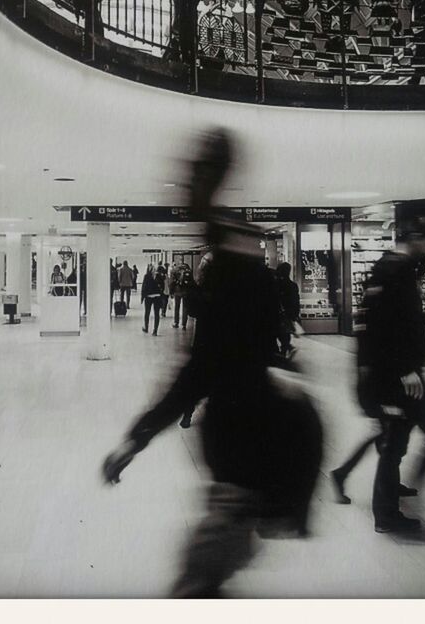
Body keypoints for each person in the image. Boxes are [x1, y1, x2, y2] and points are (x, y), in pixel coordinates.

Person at [102, 128, 323, 598]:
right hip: (241, 447)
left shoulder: (232, 256)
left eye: (193, 175)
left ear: (213, 177)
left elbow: (205, 367)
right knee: (207, 578)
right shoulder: (233, 246)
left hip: (244, 445)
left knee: (198, 584)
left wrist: (138, 437)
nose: (183, 187)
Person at [357, 216, 425, 532]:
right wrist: (404, 369)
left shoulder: (397, 269)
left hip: (406, 373)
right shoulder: (395, 271)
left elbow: (393, 321)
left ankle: (394, 493)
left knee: (402, 439)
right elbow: (383, 329)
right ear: (415, 238)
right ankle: (385, 514)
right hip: (401, 375)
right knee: (404, 440)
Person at [274, 262, 300, 361]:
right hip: (287, 315)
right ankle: (285, 350)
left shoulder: (276, 284)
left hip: (277, 314)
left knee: (277, 334)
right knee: (285, 335)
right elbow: (296, 301)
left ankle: (282, 352)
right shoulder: (293, 285)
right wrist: (295, 315)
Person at [141, 263, 165, 336]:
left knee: (147, 313)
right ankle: (155, 331)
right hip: (157, 297)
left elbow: (144, 287)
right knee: (156, 314)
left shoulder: (147, 276)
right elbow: (162, 287)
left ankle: (146, 327)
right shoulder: (159, 276)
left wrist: (142, 297)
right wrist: (160, 294)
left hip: (148, 297)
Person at [172, 262, 193, 330]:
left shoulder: (176, 271)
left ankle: (176, 322)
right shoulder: (189, 272)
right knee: (185, 308)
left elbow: (173, 282)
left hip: (177, 291)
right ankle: (184, 324)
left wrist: (172, 291)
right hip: (185, 292)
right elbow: (191, 282)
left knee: (177, 307)